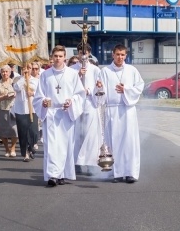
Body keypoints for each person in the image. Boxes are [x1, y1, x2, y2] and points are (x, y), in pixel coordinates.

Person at [33, 45, 85, 187]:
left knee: (65, 145)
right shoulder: (45, 75)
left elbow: (79, 94)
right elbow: (38, 96)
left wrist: (72, 101)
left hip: (66, 113)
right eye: (55, 56)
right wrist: (43, 102)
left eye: (60, 56)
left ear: (65, 58)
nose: (57, 59)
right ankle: (53, 175)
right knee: (52, 146)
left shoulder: (72, 74)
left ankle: (62, 174)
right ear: (52, 57)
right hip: (50, 113)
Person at [95, 44, 144, 183]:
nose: (120, 57)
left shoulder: (132, 70)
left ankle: (130, 173)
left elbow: (139, 86)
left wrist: (126, 89)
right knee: (113, 141)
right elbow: (100, 93)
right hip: (111, 110)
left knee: (129, 142)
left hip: (127, 110)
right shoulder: (105, 71)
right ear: (113, 54)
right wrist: (98, 87)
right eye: (117, 54)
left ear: (126, 56)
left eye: (122, 55)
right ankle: (115, 173)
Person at [70, 43, 102, 176]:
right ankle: (76, 163)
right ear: (77, 54)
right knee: (76, 134)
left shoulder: (95, 70)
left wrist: (93, 90)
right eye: (80, 53)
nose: (83, 55)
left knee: (90, 135)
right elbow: (68, 85)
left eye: (85, 53)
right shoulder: (71, 69)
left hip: (90, 103)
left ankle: (90, 164)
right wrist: (77, 75)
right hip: (77, 103)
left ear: (89, 53)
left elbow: (100, 88)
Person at [12, 62, 40, 161]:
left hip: (32, 109)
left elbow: (41, 93)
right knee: (23, 133)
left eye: (29, 68)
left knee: (33, 132)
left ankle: (32, 146)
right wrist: (23, 78)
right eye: (26, 68)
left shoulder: (36, 81)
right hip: (21, 110)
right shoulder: (18, 80)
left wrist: (33, 93)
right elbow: (16, 88)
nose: (28, 70)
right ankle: (26, 154)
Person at [0, 65, 18, 157]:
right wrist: (3, 97)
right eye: (3, 72)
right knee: (3, 130)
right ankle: (7, 148)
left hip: (13, 108)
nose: (5, 73)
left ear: (10, 73)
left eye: (7, 71)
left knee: (14, 129)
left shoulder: (14, 83)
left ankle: (13, 148)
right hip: (1, 109)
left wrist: (14, 94)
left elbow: (19, 94)